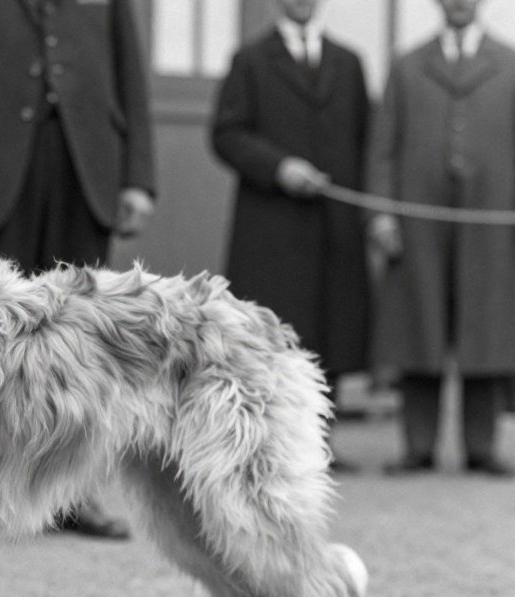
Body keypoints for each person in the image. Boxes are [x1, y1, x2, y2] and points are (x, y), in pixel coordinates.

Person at [0, 0, 156, 538]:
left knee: (78, 342)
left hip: (85, 165)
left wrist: (138, 176)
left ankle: (74, 492)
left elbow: (131, 77)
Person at [210, 0, 370, 469]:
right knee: (272, 333)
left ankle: (321, 441)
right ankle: (269, 444)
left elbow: (366, 138)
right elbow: (226, 133)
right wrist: (278, 167)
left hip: (334, 221)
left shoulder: (349, 63)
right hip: (271, 225)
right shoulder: (251, 60)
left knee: (331, 328)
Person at [367, 0, 515, 476]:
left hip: (492, 219)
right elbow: (383, 148)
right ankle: (418, 445)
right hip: (418, 220)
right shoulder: (408, 66)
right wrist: (381, 214)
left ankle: (481, 446)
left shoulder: (508, 64)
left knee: (487, 328)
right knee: (418, 324)